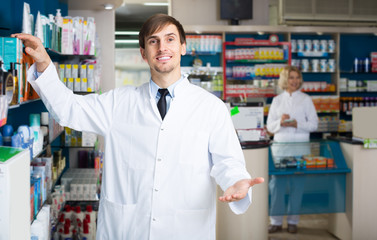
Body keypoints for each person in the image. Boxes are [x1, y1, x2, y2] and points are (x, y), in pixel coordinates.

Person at [12, 14, 264, 240]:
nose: (162, 47)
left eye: (170, 39)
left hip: (186, 230)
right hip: (126, 229)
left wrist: (238, 181)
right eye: (153, 41)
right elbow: (69, 109)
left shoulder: (212, 108)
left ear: (183, 47)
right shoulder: (118, 102)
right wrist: (45, 64)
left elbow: (228, 162)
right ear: (143, 53)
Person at [266, 65, 318, 234]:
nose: (295, 81)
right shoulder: (277, 100)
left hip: (299, 148)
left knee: (297, 186)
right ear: (284, 80)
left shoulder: (306, 99)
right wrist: (280, 121)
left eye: (297, 77)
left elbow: (314, 125)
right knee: (277, 186)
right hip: (280, 149)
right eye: (291, 77)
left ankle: (293, 221)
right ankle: (275, 221)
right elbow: (270, 127)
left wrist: (298, 124)